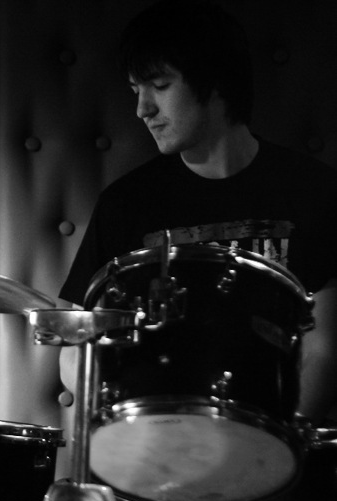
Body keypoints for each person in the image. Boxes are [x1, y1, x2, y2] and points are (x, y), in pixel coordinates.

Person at [58, 0, 337, 427]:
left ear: (216, 80)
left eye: (159, 85)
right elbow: (73, 344)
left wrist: (276, 443)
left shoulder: (314, 190)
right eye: (136, 90)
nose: (142, 109)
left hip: (275, 444)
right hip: (154, 445)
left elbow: (325, 349)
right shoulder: (126, 204)